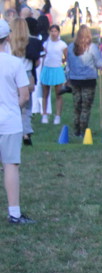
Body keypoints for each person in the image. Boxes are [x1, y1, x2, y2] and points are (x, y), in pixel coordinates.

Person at [0, 20, 34, 224]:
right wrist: (14, 107)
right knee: (10, 165)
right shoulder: (15, 63)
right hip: (9, 121)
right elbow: (25, 95)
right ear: (7, 38)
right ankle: (14, 213)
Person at [66, 26, 102, 138]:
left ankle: (76, 130)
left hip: (75, 79)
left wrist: (68, 77)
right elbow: (99, 64)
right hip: (88, 80)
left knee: (77, 106)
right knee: (85, 107)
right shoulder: (92, 48)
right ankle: (83, 131)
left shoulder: (71, 47)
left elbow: (68, 63)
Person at [8, 18, 35, 146]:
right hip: (27, 73)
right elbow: (37, 61)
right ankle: (26, 132)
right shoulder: (31, 42)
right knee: (27, 105)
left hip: (12, 74)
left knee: (13, 103)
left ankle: (14, 130)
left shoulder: (8, 43)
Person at [40, 25, 67, 125]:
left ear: (58, 32)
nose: (53, 33)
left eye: (55, 31)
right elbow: (43, 55)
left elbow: (66, 56)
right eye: (52, 31)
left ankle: (58, 116)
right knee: (45, 94)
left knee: (58, 94)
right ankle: (44, 114)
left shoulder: (62, 44)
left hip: (57, 69)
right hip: (47, 69)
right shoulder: (46, 43)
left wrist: (62, 61)